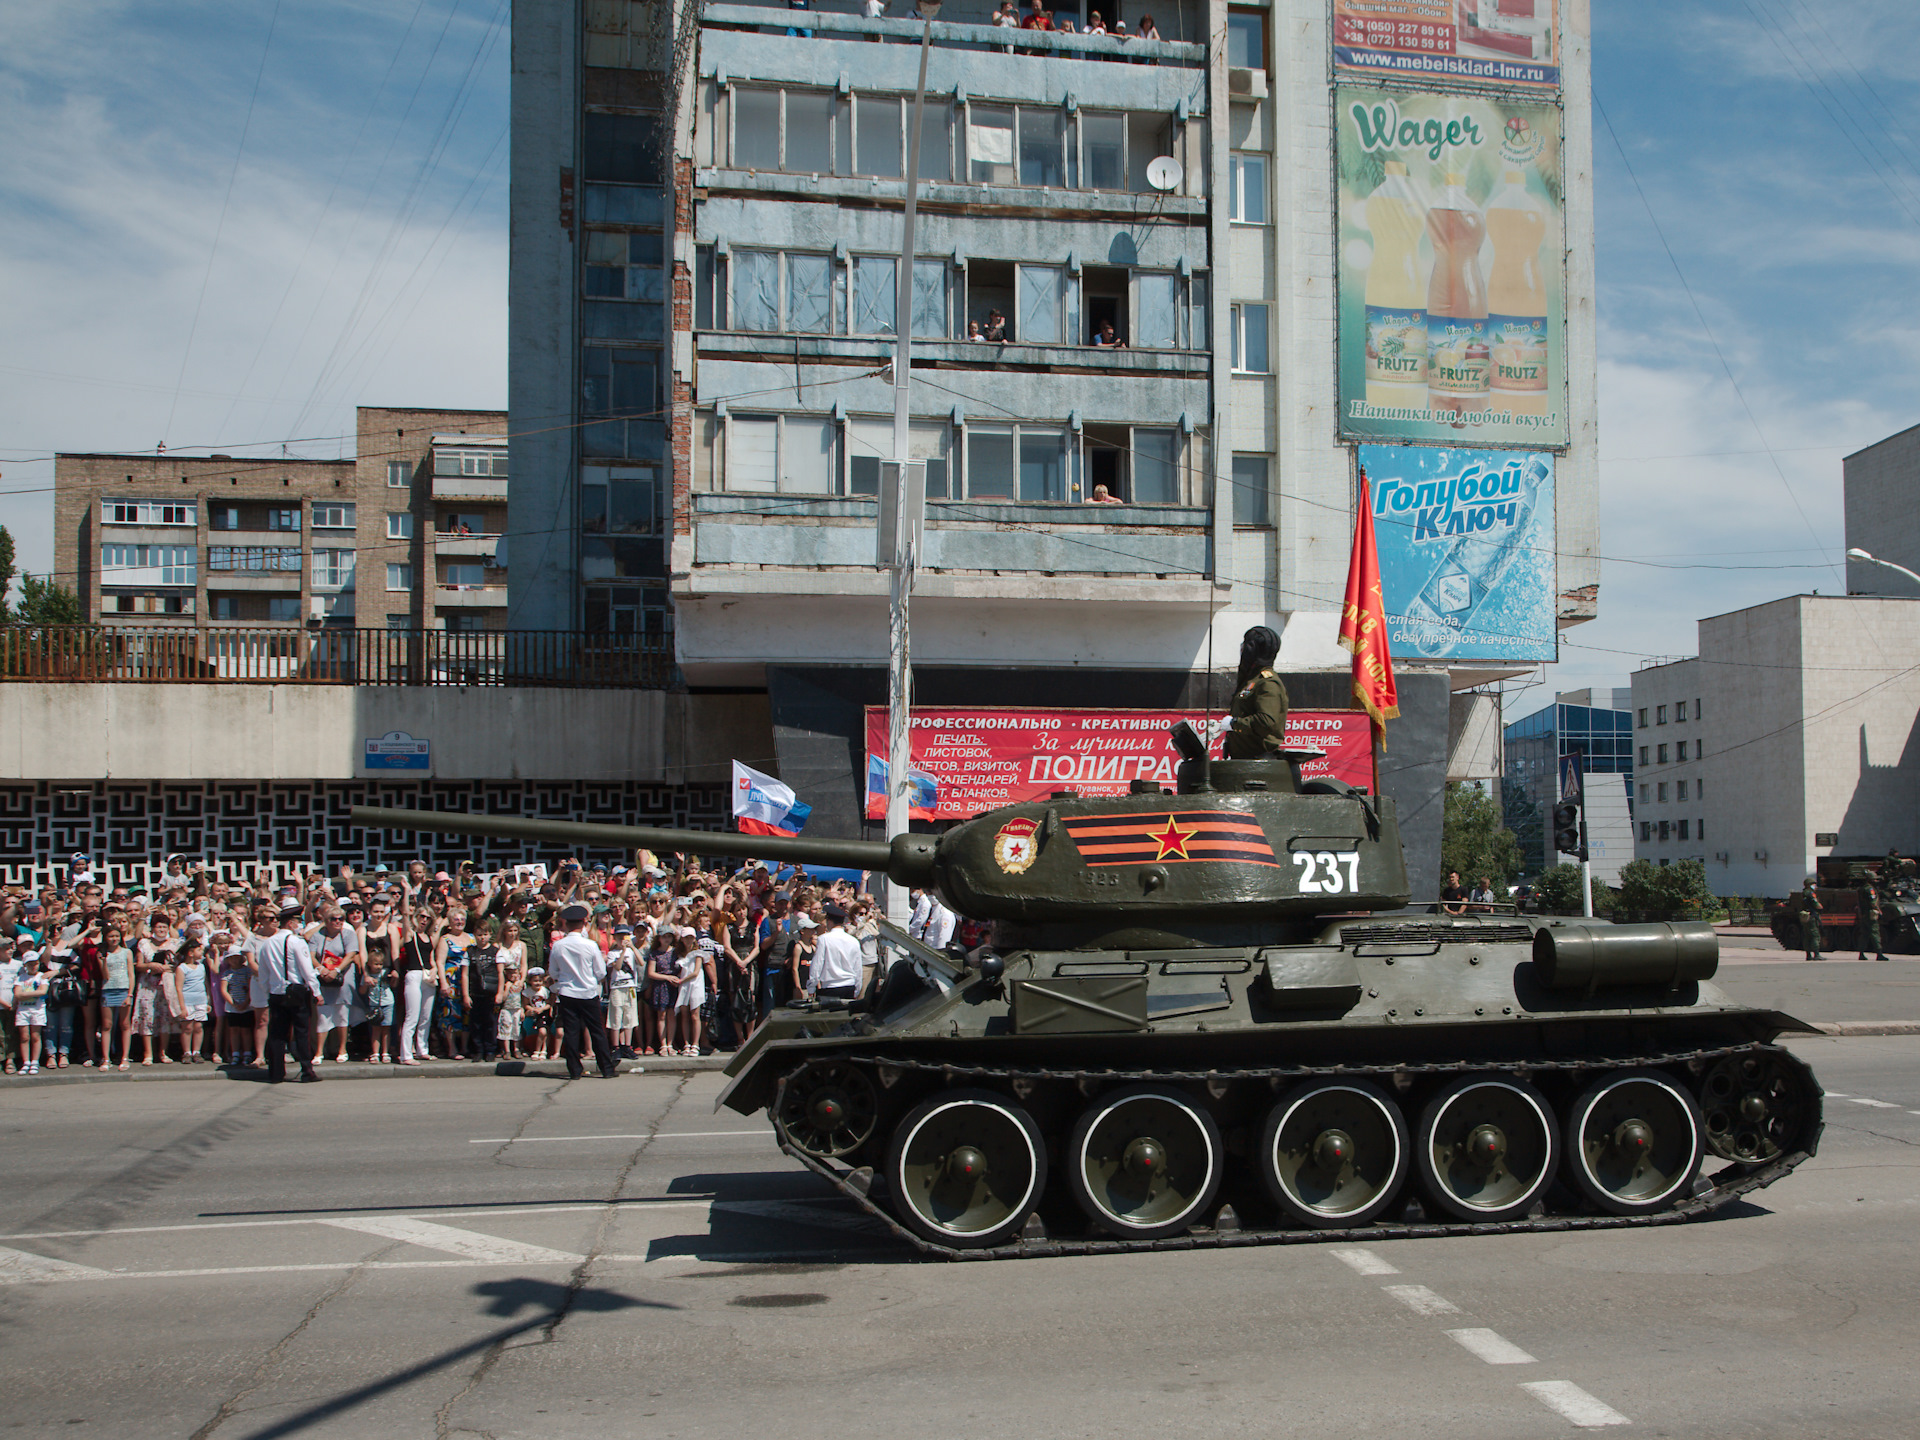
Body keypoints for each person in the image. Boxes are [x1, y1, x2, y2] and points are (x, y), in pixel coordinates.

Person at [548, 903, 620, 1079]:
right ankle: (606, 1068)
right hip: (588, 992)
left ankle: (574, 1070)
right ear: (583, 923)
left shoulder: (558, 946)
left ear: (566, 924)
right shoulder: (590, 945)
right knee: (597, 1031)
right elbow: (601, 972)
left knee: (571, 1032)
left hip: (567, 993)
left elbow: (553, 972)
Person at [257, 901, 323, 1083]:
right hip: (296, 992)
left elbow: (262, 973)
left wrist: (268, 991)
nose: (299, 925)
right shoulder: (296, 941)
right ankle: (307, 1071)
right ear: (291, 923)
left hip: (276, 993)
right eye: (297, 921)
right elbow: (307, 970)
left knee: (277, 1034)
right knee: (302, 1032)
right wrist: (316, 991)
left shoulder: (268, 943)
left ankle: (276, 1073)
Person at [1223, 624, 1288, 760]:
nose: (1241, 649)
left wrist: (1235, 723)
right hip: (1242, 760)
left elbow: (1266, 721)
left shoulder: (1267, 683)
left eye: (1245, 646)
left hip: (1259, 762)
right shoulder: (1252, 680)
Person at [809, 903, 864, 1001]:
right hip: (849, 986)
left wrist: (811, 987)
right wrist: (857, 989)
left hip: (830, 987)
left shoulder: (823, 939)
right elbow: (858, 968)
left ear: (829, 921)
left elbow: (817, 965)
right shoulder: (853, 941)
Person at [607, 925, 641, 1057]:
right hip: (617, 987)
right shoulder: (612, 953)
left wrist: (632, 947)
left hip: (630, 987)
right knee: (616, 1016)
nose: (622, 940)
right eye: (619, 937)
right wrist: (622, 952)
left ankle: (627, 1045)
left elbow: (641, 962)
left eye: (624, 937)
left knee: (629, 1016)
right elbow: (617, 966)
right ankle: (615, 1046)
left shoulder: (632, 952)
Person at [1857, 880, 1890, 962]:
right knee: (1875, 932)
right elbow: (1873, 902)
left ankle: (1861, 953)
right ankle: (1879, 953)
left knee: (1864, 934)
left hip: (1864, 914)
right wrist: (1879, 910)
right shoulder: (1870, 889)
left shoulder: (1861, 889)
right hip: (1871, 914)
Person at [1797, 880, 1823, 962]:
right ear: (1809, 885)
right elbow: (1816, 904)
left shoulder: (1803, 892)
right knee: (1815, 935)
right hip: (1811, 916)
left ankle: (1808, 955)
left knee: (1807, 936)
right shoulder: (1810, 893)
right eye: (1813, 884)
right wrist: (1820, 907)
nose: (1815, 886)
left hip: (1805, 916)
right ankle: (1816, 954)